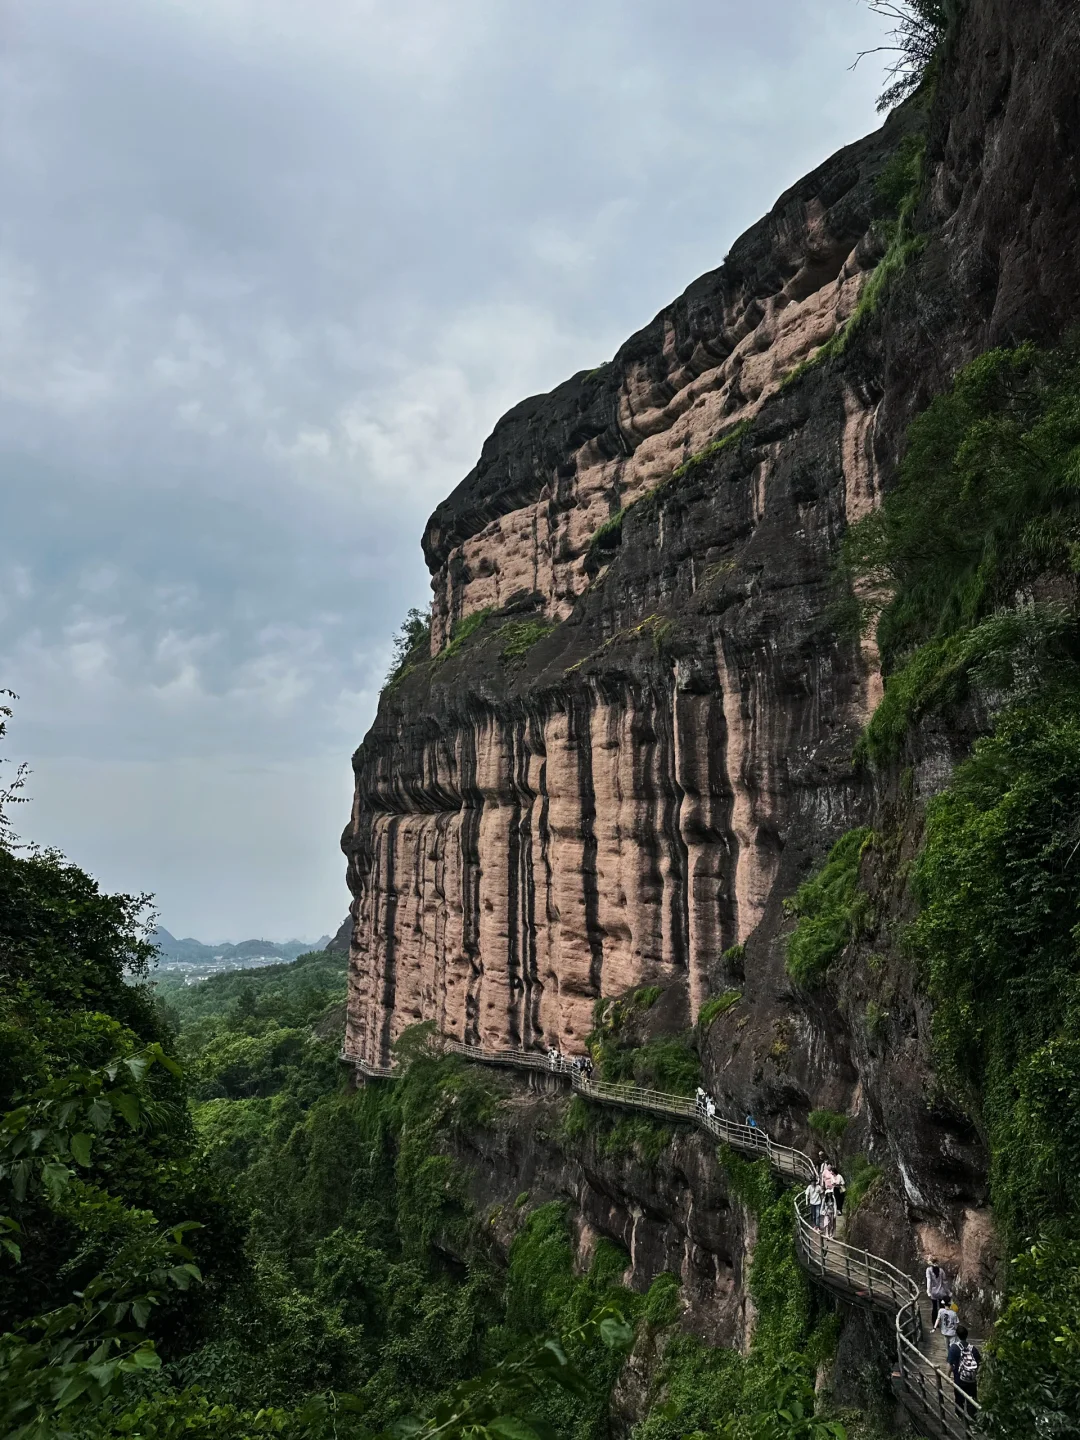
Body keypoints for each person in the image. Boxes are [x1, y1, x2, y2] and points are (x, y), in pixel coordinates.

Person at [948, 1325, 981, 1416]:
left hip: (959, 1379)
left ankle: (959, 1415)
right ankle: (972, 1417)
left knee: (959, 1399)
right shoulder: (973, 1349)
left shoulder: (954, 1348)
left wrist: (948, 1376)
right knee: (972, 1400)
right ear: (967, 1335)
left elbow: (950, 1364)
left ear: (957, 1335)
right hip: (972, 1380)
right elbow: (979, 1363)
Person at [926, 1257, 951, 1324]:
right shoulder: (941, 1270)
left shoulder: (929, 1270)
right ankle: (943, 1322)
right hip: (941, 1292)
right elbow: (945, 1283)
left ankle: (934, 1323)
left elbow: (929, 1281)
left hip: (933, 1292)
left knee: (934, 1307)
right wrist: (948, 1292)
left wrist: (928, 1291)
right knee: (942, 1308)